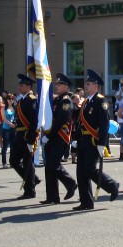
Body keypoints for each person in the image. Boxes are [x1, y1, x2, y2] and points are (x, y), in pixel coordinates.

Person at [73, 69, 120, 211]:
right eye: (86, 83)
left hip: (93, 141)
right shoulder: (86, 101)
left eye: (88, 83)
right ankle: (86, 202)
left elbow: (104, 124)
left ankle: (112, 185)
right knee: (81, 172)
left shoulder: (101, 101)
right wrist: (76, 139)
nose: (86, 86)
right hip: (83, 140)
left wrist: (102, 143)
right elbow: (80, 122)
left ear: (96, 85)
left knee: (89, 169)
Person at [40, 73, 78, 204]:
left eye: (59, 84)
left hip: (60, 137)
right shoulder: (57, 100)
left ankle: (71, 183)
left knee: (53, 165)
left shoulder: (66, 100)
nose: (57, 86)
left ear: (66, 86)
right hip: (52, 136)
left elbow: (61, 119)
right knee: (48, 167)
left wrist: (49, 135)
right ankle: (52, 197)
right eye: (56, 84)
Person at [11, 74, 41, 200]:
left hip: (26, 135)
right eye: (19, 84)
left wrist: (31, 139)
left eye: (22, 85)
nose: (19, 87)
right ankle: (33, 179)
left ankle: (30, 190)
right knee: (13, 161)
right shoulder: (21, 100)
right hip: (18, 135)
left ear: (28, 87)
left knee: (28, 163)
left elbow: (34, 122)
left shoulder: (32, 100)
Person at [1, 94, 16, 169]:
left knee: (13, 146)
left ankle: (12, 162)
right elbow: (4, 119)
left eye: (12, 99)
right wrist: (10, 124)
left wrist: (14, 124)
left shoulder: (15, 108)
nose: (10, 100)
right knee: (5, 146)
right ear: (7, 100)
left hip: (13, 129)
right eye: (9, 99)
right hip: (6, 128)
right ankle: (4, 162)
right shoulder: (4, 108)